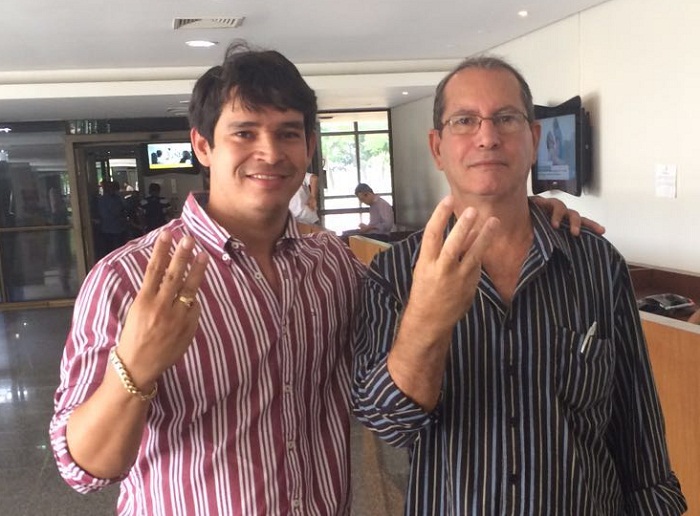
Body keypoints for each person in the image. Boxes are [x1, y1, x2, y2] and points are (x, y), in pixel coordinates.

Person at [352, 56, 686, 515]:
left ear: (534, 140)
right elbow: (386, 423)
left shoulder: (596, 263)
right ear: (437, 147)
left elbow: (638, 429)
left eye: (506, 118)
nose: (487, 136)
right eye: (464, 120)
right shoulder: (392, 274)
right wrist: (426, 320)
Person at [50, 41, 365, 515]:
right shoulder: (127, 279)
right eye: (244, 132)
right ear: (202, 145)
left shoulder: (332, 265)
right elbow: (84, 469)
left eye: (288, 133)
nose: (270, 152)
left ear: (309, 147)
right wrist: (135, 367)